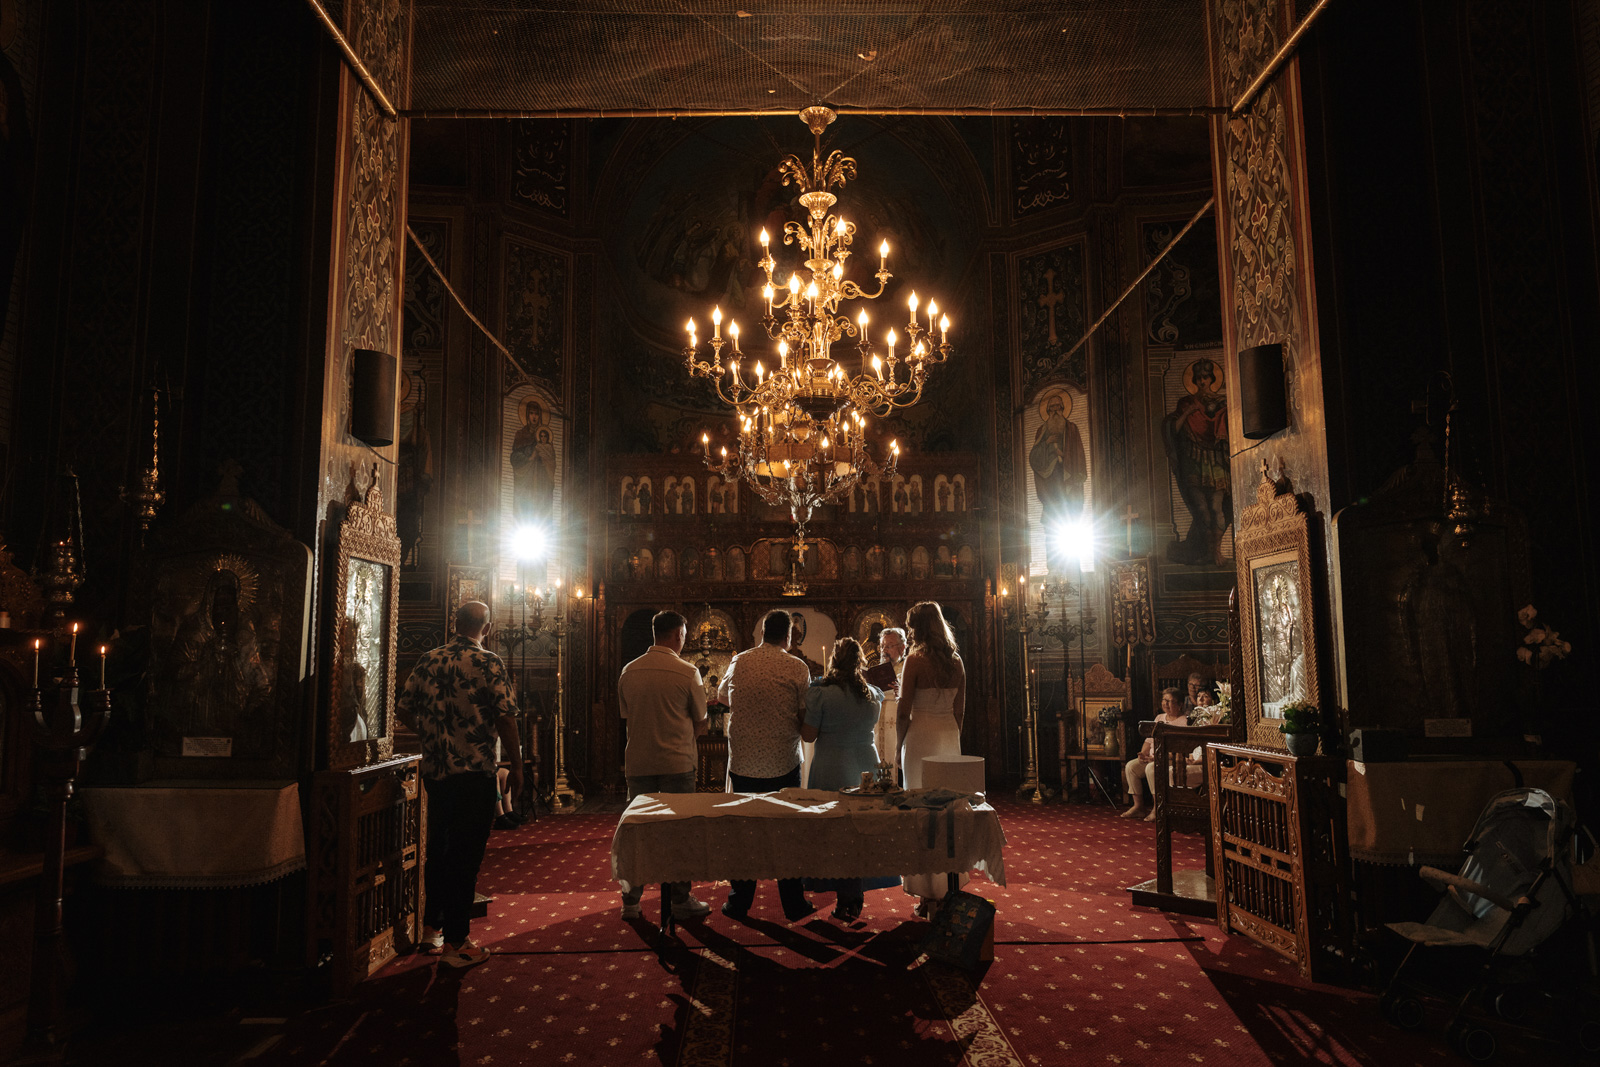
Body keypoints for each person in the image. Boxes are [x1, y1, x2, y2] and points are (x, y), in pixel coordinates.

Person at [398, 601, 523, 968]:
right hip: (474, 773)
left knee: (438, 850)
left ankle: (431, 929)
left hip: (436, 773)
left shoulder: (428, 659)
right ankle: (457, 942)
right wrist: (517, 766)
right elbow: (506, 718)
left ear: (456, 623)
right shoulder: (488, 662)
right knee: (465, 857)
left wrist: (432, 734)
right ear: (488, 627)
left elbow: (403, 708)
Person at [717, 609, 815, 921]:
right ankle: (793, 905)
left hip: (744, 761)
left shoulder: (740, 661)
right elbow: (805, 713)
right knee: (786, 832)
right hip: (783, 761)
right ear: (789, 636)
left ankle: (739, 902)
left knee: (744, 832)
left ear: (761, 633)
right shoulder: (797, 666)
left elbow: (722, 695)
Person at [616, 610, 713, 922]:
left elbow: (627, 716)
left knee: (637, 832)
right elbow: (701, 720)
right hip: (677, 764)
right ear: (679, 635)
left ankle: (631, 901)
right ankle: (680, 899)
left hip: (639, 763)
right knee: (678, 833)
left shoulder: (629, 671)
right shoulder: (687, 672)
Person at [800, 637, 883, 922]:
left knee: (834, 831)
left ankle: (844, 893)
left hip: (832, 764)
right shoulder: (872, 694)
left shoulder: (821, 693)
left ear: (834, 660)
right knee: (861, 829)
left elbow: (808, 735)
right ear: (860, 662)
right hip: (866, 765)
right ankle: (854, 893)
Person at [897, 603, 967, 911]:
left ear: (919, 628)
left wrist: (898, 746)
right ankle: (948, 886)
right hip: (948, 734)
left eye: (911, 627)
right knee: (948, 812)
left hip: (921, 737)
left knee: (921, 811)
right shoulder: (956, 661)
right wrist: (953, 739)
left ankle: (927, 893)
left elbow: (903, 712)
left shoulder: (914, 660)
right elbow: (960, 710)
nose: (910, 632)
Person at [1162, 357, 1231, 566]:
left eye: (1206, 377)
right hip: (1194, 459)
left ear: (1211, 378)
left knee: (1217, 507)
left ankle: (1216, 552)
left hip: (1216, 461)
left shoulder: (1222, 402)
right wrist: (1188, 413)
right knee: (1201, 509)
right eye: (1199, 377)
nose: (1202, 381)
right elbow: (1173, 429)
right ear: (1194, 380)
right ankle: (1209, 552)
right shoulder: (1186, 403)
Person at [1122, 687, 1188, 821]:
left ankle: (1157, 808)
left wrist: (1158, 758)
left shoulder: (1185, 721)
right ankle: (1138, 807)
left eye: (1170, 701)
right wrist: (1143, 754)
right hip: (1153, 757)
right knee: (1131, 767)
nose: (1166, 704)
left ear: (1180, 704)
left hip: (1170, 759)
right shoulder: (1159, 718)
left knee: (1151, 768)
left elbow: (1183, 748)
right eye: (1164, 700)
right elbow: (1149, 740)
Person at [1029, 391, 1087, 523]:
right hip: (1048, 475)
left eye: (1058, 406)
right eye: (1052, 407)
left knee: (1068, 506)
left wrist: (1065, 456)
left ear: (1062, 408)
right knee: (1052, 507)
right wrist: (1046, 443)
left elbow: (1079, 453)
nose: (1055, 410)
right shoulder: (1041, 430)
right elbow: (1034, 457)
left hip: (1067, 471)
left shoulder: (1072, 428)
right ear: (1048, 410)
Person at [864, 627, 906, 776]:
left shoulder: (907, 669)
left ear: (902, 648)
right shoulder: (876, 671)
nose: (884, 650)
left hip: (897, 723)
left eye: (889, 646)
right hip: (878, 723)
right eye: (882, 646)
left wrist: (900, 690)